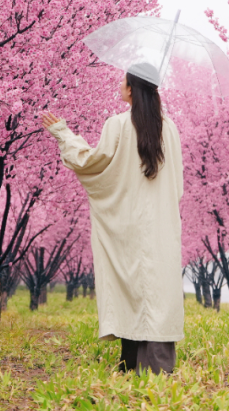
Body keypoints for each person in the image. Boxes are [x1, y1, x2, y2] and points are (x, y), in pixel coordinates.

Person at [40, 68, 184, 374]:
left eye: (124, 81)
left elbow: (93, 163)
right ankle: (157, 370)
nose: (120, 86)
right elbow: (178, 185)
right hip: (161, 227)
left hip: (127, 226)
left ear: (132, 89)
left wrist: (64, 134)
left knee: (132, 287)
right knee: (158, 290)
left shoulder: (118, 125)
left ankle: (130, 366)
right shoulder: (170, 129)